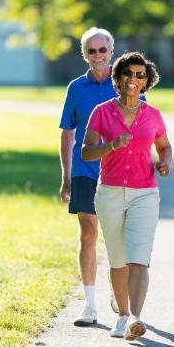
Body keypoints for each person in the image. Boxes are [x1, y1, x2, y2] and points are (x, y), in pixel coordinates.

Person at [81, 51, 171, 340]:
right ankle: (121, 315)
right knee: (118, 259)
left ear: (146, 83)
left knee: (139, 258)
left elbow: (165, 146)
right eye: (128, 74)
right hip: (109, 193)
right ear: (118, 78)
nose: (133, 79)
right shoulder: (102, 112)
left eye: (140, 75)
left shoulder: (153, 115)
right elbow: (86, 151)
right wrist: (111, 145)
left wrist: (164, 162)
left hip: (145, 193)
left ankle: (135, 317)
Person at [59, 27, 118, 327]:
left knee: (116, 235)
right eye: (91, 51)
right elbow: (67, 133)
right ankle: (90, 304)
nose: (97, 56)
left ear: (111, 51)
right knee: (88, 231)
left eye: (102, 50)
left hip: (118, 171)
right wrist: (66, 176)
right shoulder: (75, 88)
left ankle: (119, 292)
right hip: (85, 170)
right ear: (85, 54)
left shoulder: (126, 83)